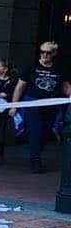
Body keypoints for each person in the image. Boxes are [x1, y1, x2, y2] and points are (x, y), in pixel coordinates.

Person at [10, 41, 71, 173]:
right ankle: (35, 160)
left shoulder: (59, 68)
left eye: (48, 53)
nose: (44, 55)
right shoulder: (32, 67)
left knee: (46, 132)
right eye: (42, 52)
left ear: (54, 53)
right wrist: (14, 106)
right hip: (34, 104)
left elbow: (66, 87)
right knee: (36, 131)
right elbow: (20, 87)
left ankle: (37, 154)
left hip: (51, 105)